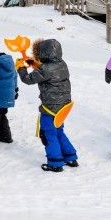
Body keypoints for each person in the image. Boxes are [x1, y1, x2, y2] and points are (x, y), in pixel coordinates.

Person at [18, 39, 78, 172]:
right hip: (62, 107)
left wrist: (21, 68)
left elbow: (28, 79)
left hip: (50, 109)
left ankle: (55, 163)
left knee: (48, 134)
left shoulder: (45, 69)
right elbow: (43, 71)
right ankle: (70, 157)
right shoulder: (62, 64)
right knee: (59, 132)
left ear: (44, 53)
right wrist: (30, 62)